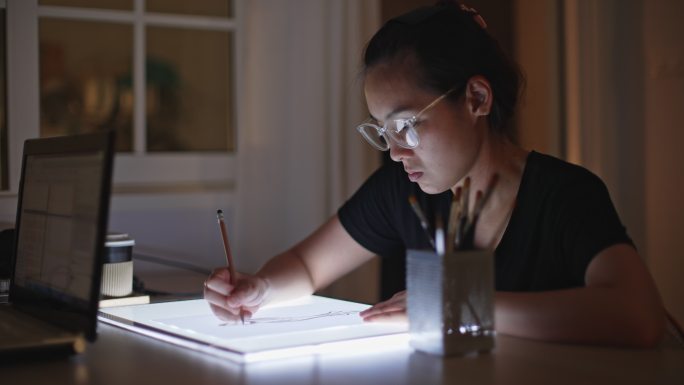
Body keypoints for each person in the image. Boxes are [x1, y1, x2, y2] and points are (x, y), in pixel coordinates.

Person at [204, 1, 666, 347]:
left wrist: (457, 304)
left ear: (477, 100)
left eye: (406, 125)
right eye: (383, 132)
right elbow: (307, 266)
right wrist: (260, 287)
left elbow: (637, 315)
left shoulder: (564, 195)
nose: (396, 151)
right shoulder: (401, 190)